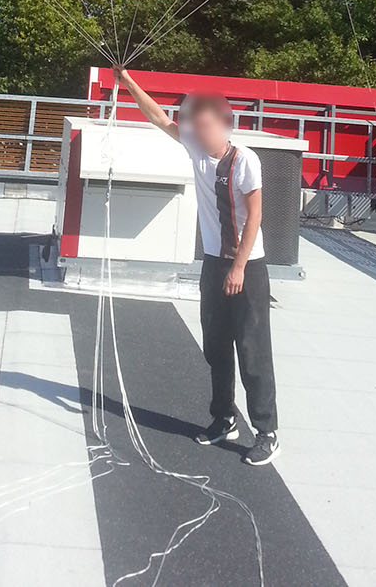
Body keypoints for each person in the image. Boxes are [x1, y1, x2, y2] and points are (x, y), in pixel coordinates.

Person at [115, 67, 280, 466]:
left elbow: (255, 216)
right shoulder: (192, 145)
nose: (199, 133)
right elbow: (157, 116)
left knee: (253, 350)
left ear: (222, 126)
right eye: (195, 126)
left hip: (248, 267)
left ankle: (267, 431)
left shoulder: (245, 161)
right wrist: (127, 81)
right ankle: (223, 417)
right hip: (213, 263)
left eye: (205, 126)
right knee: (216, 346)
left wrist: (239, 267)